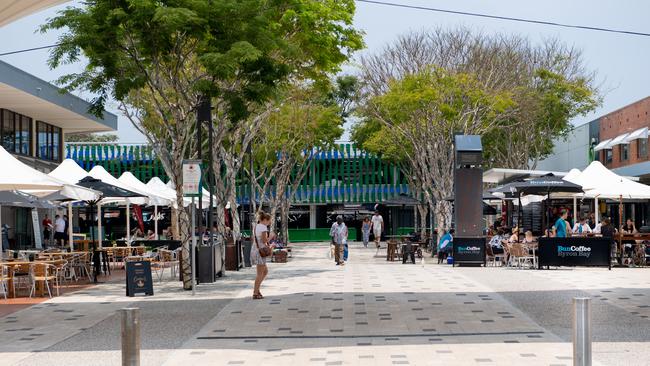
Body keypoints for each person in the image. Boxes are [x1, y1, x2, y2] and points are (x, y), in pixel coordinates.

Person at [251, 212, 272, 299]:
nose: (270, 222)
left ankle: (257, 289)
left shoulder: (256, 226)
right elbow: (264, 240)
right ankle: (255, 292)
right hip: (260, 252)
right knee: (260, 273)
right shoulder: (263, 227)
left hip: (255, 250)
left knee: (265, 271)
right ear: (265, 220)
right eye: (269, 221)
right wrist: (271, 236)